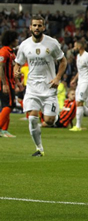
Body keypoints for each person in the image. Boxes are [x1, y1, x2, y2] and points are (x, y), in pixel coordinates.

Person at [13, 16, 67, 157]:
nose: (37, 28)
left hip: (49, 87)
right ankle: (39, 148)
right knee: (32, 118)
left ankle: (52, 118)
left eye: (39, 25)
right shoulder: (24, 45)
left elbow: (63, 61)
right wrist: (16, 71)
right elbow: (18, 63)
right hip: (32, 88)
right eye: (34, 25)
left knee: (49, 120)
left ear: (44, 27)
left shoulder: (52, 43)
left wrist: (57, 77)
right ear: (30, 27)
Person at [0, 30, 19, 138]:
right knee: (9, 105)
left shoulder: (11, 52)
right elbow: (1, 68)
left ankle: (3, 130)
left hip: (10, 82)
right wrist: (4, 84)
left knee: (6, 106)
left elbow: (12, 69)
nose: (17, 40)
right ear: (11, 40)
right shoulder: (4, 51)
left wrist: (17, 82)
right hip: (5, 83)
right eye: (15, 39)